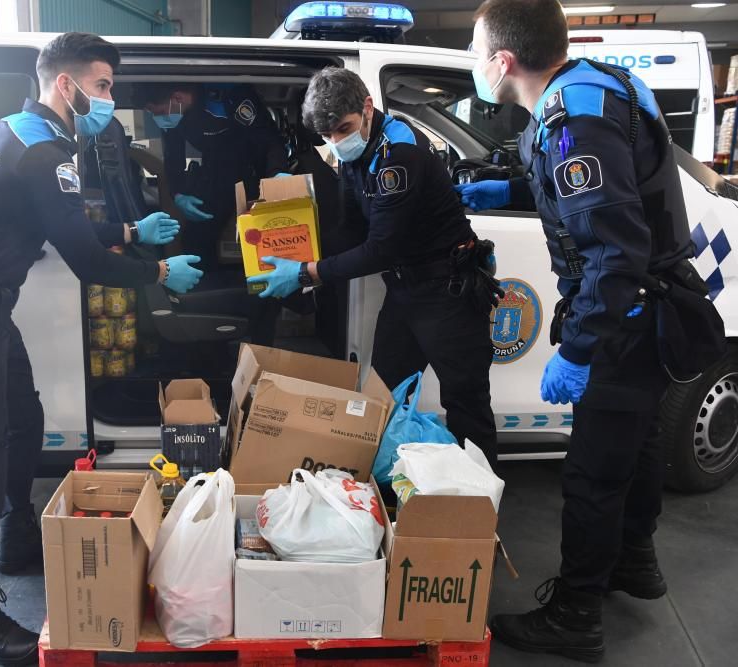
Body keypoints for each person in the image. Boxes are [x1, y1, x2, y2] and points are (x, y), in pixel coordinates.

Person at [0, 33, 203, 666]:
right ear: (64, 85)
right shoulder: (46, 151)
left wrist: (130, 228)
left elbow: (57, 221)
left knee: (26, 421)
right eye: (100, 87)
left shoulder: (18, 130)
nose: (108, 99)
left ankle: (14, 538)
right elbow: (87, 260)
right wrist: (157, 272)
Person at [456, 1, 699, 661]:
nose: (477, 66)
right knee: (638, 441)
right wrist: (505, 186)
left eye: (478, 53)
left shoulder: (574, 117)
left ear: (503, 61)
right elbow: (588, 186)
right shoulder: (594, 87)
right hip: (650, 308)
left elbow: (613, 254)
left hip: (627, 313)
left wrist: (580, 348)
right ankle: (635, 561)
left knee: (592, 468)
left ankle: (576, 613)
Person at [250, 66, 500, 467]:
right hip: (405, 293)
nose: (337, 142)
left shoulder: (399, 155)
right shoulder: (358, 152)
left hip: (447, 293)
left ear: (367, 107)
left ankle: (477, 516)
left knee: (466, 406)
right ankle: (385, 490)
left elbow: (380, 248)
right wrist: (298, 248)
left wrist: (306, 273)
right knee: (384, 394)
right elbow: (350, 230)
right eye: (328, 136)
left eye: (343, 129)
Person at [136, 83, 291, 267]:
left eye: (158, 112)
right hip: (216, 169)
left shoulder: (229, 98)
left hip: (255, 166)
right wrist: (178, 193)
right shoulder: (174, 115)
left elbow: (268, 139)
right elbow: (173, 156)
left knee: (264, 234)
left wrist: (277, 173)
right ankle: (203, 282)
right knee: (196, 238)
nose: (156, 118)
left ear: (178, 98)